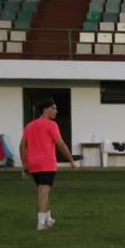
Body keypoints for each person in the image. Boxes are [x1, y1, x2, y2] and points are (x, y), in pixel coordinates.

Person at [19, 97, 77, 230]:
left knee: (42, 191)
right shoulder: (51, 125)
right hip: (46, 163)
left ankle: (48, 219)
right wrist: (71, 161)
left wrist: (25, 163)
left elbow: (22, 146)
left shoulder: (30, 125)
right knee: (43, 192)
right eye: (54, 108)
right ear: (47, 109)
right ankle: (41, 223)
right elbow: (61, 144)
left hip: (33, 164)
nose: (56, 111)